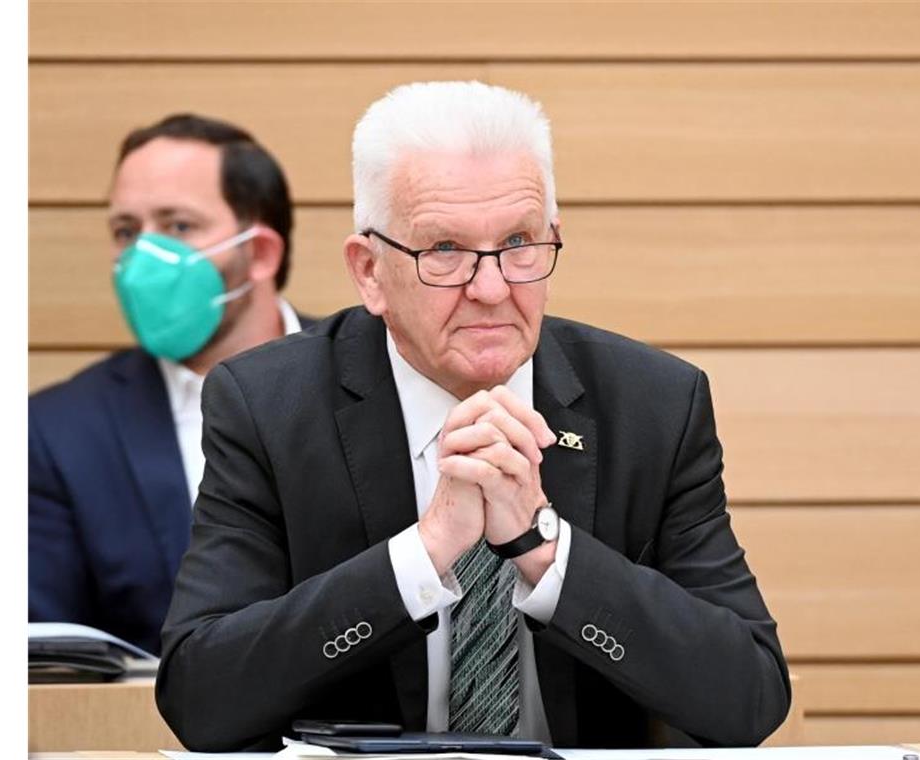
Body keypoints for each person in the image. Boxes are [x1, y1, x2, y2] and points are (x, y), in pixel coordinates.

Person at [157, 82, 790, 751]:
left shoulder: (654, 406)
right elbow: (202, 697)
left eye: (519, 243)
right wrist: (423, 556)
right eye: (445, 250)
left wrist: (543, 550)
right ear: (369, 271)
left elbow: (748, 698)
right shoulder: (269, 408)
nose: (491, 290)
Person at [29, 114, 312, 656]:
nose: (142, 260)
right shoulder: (55, 432)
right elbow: (46, 659)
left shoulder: (376, 371)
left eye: (178, 226)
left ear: (260, 253)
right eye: (126, 232)